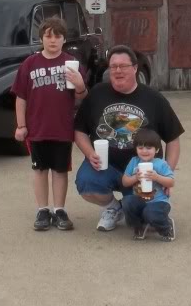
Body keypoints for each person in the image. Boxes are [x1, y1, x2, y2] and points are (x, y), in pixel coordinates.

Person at [74, 45, 184, 232]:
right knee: (86, 183)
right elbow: (79, 131)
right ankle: (113, 208)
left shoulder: (154, 98)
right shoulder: (97, 93)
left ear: (135, 68)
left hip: (140, 171)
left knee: (143, 221)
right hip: (106, 166)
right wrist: (89, 152)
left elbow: (173, 139)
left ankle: (142, 207)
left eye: (123, 66)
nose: (117, 71)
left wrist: (166, 175)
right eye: (113, 66)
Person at [11, 16, 88, 232]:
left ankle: (59, 209)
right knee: (39, 170)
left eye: (57, 36)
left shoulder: (71, 62)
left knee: (60, 171)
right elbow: (21, 97)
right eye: (48, 36)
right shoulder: (30, 64)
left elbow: (82, 96)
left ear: (64, 40)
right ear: (42, 38)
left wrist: (81, 85)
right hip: (37, 128)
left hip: (62, 128)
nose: (53, 40)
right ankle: (42, 209)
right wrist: (21, 125)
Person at [120, 129, 176, 241]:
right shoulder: (134, 162)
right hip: (140, 200)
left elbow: (171, 182)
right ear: (136, 149)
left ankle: (166, 227)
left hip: (159, 202)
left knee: (150, 212)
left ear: (157, 149)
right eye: (140, 148)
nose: (144, 151)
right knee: (126, 201)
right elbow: (125, 182)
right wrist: (135, 177)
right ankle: (138, 226)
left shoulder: (160, 164)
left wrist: (157, 177)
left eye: (149, 148)